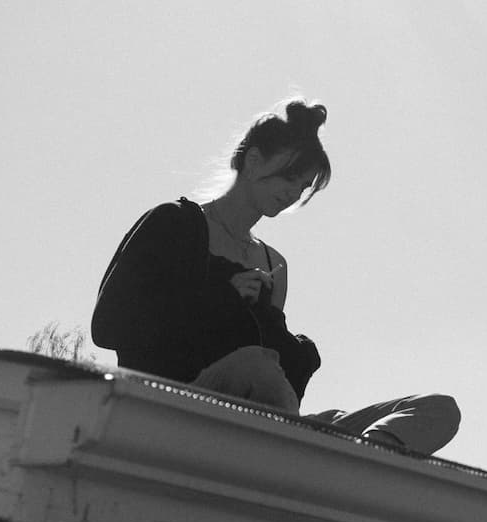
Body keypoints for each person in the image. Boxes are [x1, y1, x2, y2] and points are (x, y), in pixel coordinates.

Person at [92, 99, 460, 457]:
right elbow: (108, 325)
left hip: (263, 426)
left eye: (303, 187)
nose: (293, 193)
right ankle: (307, 459)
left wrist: (297, 354)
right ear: (254, 160)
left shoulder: (274, 264)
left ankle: (361, 460)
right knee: (256, 365)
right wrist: (221, 296)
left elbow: (275, 377)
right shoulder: (174, 224)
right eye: (290, 177)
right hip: (176, 407)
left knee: (436, 409)